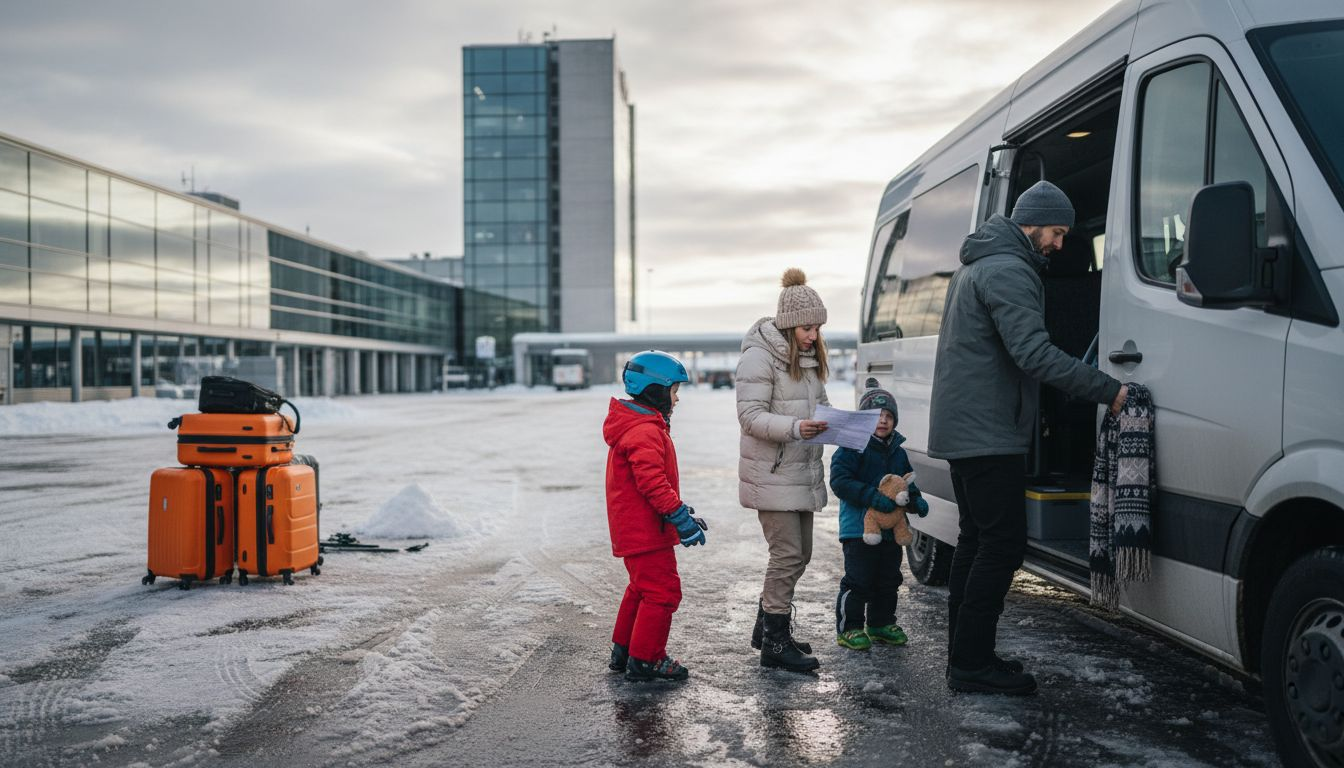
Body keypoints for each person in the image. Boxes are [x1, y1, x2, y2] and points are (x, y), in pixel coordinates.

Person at [929, 180, 1129, 695]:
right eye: (1057, 233)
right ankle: (971, 663)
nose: (1060, 245)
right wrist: (1109, 390)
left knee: (975, 541)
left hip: (967, 430)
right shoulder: (1009, 269)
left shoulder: (977, 264)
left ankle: (966, 655)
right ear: (1034, 223)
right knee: (1002, 545)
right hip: (988, 433)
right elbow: (1034, 354)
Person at [737, 267, 830, 673]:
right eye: (807, 328)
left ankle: (766, 626)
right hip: (771, 473)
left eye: (817, 328)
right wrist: (794, 428)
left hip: (801, 470)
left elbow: (818, 405)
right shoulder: (759, 357)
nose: (813, 335)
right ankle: (774, 642)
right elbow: (750, 416)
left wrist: (836, 423)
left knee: (802, 553)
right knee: (787, 554)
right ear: (790, 325)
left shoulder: (808, 359)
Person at [604, 350, 707, 682]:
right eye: (674, 391)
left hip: (639, 529)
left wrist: (679, 510)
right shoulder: (644, 430)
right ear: (656, 390)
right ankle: (647, 658)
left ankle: (624, 651)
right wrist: (677, 515)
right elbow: (651, 483)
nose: (676, 400)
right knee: (663, 592)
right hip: (645, 533)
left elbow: (650, 484)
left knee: (640, 588)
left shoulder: (640, 426)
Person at [829, 388, 929, 651]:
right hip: (859, 528)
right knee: (859, 579)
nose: (883, 420)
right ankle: (849, 628)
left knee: (888, 578)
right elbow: (840, 481)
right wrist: (871, 496)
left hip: (892, 530)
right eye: (876, 415)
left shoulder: (897, 450)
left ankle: (880, 623)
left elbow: (905, 482)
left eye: (888, 416)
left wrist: (916, 500)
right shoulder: (852, 446)